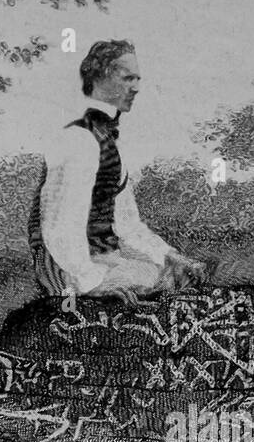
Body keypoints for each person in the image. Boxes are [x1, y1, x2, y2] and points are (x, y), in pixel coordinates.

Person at [28, 39, 208, 304]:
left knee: (173, 276)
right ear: (101, 78)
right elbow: (59, 228)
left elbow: (127, 225)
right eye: (128, 78)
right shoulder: (77, 140)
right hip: (68, 270)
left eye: (138, 79)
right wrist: (90, 282)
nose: (136, 87)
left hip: (104, 260)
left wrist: (170, 256)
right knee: (157, 287)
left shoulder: (109, 141)